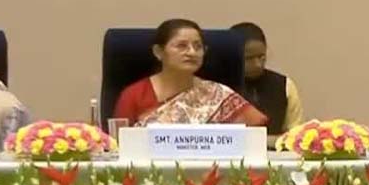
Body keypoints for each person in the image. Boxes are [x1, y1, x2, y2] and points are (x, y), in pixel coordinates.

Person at [113, 19, 267, 126]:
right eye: (182, 46)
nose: (192, 52)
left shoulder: (217, 94)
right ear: (158, 52)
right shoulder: (134, 95)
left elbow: (255, 135)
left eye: (198, 47)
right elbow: (118, 146)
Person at [230, 22, 304, 135]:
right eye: (249, 58)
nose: (258, 64)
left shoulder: (285, 86)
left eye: (261, 57)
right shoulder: (216, 88)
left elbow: (296, 135)